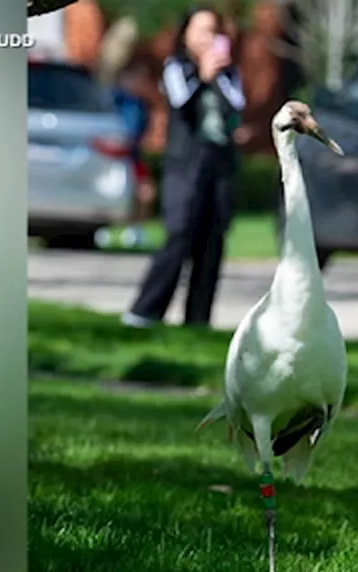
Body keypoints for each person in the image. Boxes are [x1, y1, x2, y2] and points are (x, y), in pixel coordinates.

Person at [122, 5, 246, 329]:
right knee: (179, 235)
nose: (208, 38)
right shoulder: (176, 67)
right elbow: (180, 103)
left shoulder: (231, 73)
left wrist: (217, 77)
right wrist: (203, 75)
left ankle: (197, 321)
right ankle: (145, 313)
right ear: (186, 35)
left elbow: (236, 109)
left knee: (212, 241)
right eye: (201, 30)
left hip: (219, 168)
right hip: (185, 165)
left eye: (213, 31)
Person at [107, 57, 157, 249]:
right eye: (137, 77)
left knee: (146, 191)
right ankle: (105, 229)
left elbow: (142, 132)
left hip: (133, 154)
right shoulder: (113, 99)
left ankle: (136, 230)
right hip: (113, 153)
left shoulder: (142, 104)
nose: (140, 82)